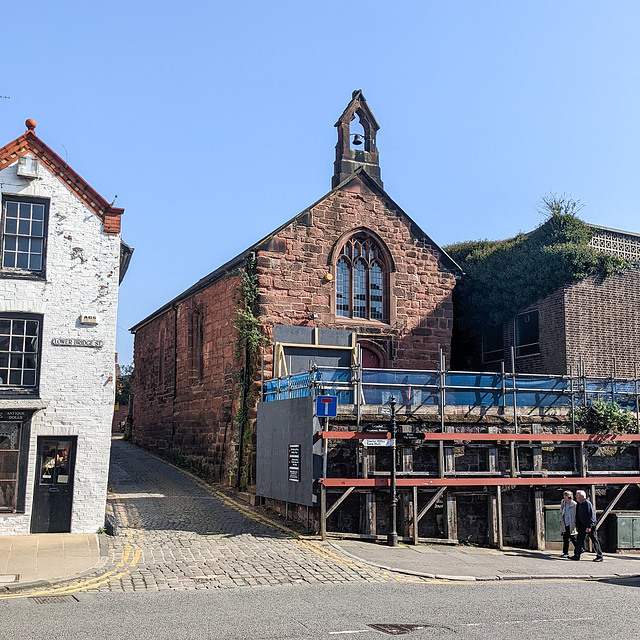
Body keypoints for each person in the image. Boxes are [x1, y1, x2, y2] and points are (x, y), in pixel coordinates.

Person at [571, 489, 603, 562]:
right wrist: (577, 525)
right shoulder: (578, 504)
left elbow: (591, 515)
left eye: (577, 495)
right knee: (579, 540)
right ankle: (577, 555)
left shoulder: (587, 503)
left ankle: (599, 556)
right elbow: (578, 515)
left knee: (594, 540)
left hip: (589, 524)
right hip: (582, 524)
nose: (575, 496)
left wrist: (589, 526)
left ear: (582, 496)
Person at [559, 490, 577, 557]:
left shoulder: (574, 504)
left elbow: (575, 514)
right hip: (565, 522)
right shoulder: (563, 502)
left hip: (571, 522)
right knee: (566, 537)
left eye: (565, 496)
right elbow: (562, 510)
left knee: (571, 537)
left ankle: (579, 548)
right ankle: (566, 552)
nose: (564, 497)